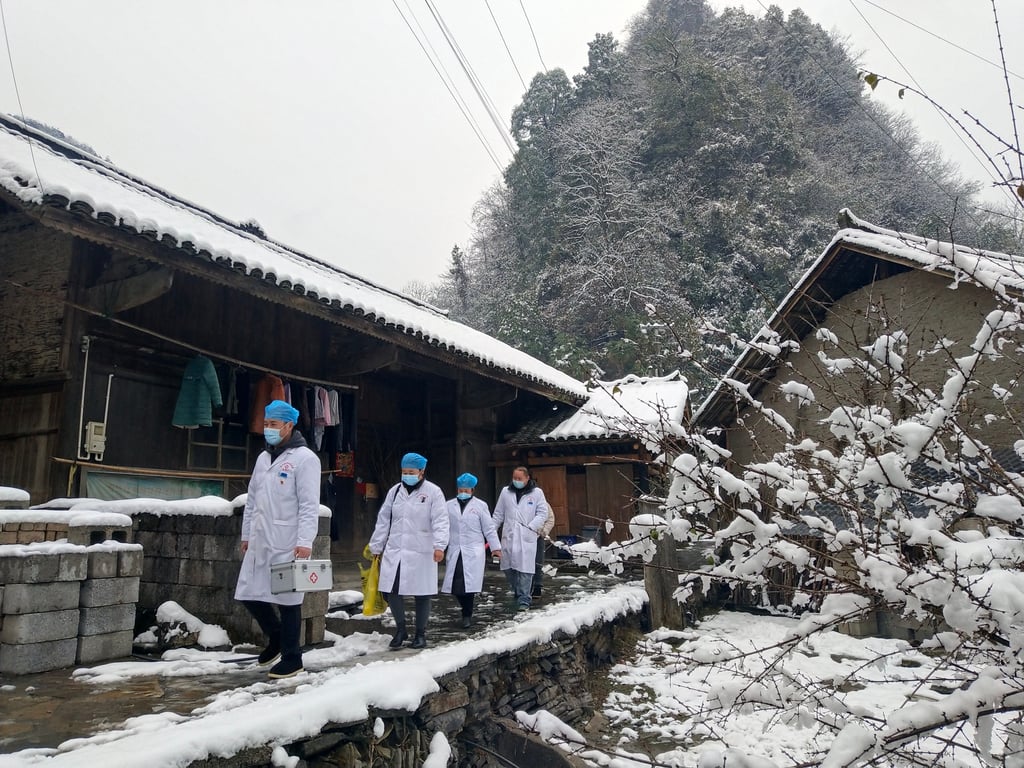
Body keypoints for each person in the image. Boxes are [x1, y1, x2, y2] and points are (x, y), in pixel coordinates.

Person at [234, 399, 321, 679]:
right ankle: (276, 637)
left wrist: (305, 541)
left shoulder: (306, 459)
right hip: (260, 538)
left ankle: (293, 658)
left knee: (288, 599)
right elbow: (252, 499)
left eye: (273, 424)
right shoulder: (263, 458)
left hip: (288, 540)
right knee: (248, 593)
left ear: (288, 425)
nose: (268, 428)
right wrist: (247, 534)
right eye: (266, 423)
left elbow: (309, 504)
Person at [369, 452, 449, 650]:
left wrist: (440, 545)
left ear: (422, 471)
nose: (407, 475)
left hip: (422, 550)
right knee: (392, 590)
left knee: (422, 593)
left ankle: (420, 634)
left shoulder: (433, 492)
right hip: (396, 549)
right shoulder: (395, 491)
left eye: (411, 472)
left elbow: (440, 520)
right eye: (404, 472)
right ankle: (401, 629)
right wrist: (377, 545)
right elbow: (384, 519)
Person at [441, 472, 502, 628]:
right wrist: (439, 546)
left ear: (472, 490)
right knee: (455, 584)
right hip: (455, 549)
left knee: (468, 586)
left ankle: (467, 614)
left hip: (473, 550)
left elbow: (489, 529)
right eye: (460, 490)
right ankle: (464, 608)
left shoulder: (481, 506)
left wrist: (495, 548)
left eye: (466, 490)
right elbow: (442, 527)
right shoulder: (448, 506)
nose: (463, 493)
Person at [492, 466, 550, 610]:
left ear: (527, 478)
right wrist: (491, 531)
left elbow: (543, 513)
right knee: (507, 567)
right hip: (509, 536)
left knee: (525, 569)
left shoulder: (537, 493)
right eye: (514, 478)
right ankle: (518, 591)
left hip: (527, 536)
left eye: (519, 478)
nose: (516, 481)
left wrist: (531, 527)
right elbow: (498, 514)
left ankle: (524, 599)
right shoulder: (506, 492)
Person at [532, 502, 556, 599]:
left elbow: (550, 519)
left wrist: (544, 531)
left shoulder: (542, 503)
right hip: (522, 538)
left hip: (538, 537)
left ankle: (537, 586)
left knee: (538, 562)